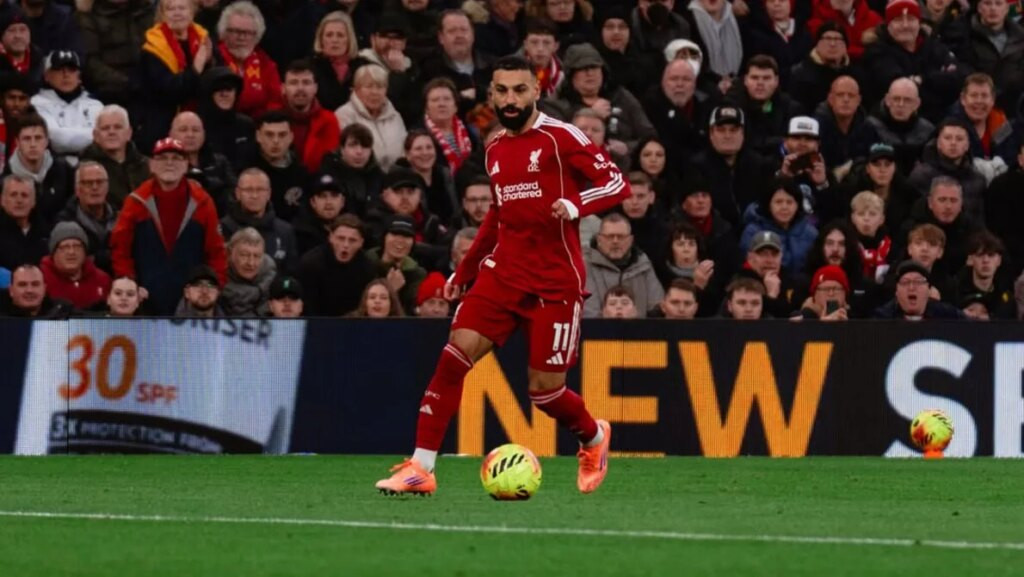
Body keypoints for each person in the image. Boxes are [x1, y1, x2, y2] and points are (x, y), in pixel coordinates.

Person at [376, 55, 627, 497]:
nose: (511, 99)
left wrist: (576, 205)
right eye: (502, 91)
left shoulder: (561, 137)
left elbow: (616, 183)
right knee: (453, 357)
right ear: (491, 94)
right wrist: (466, 269)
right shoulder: (494, 147)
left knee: (545, 393)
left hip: (555, 282)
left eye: (520, 90)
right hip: (503, 274)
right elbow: (498, 216)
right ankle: (421, 468)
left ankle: (593, 438)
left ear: (536, 91)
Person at [110, 137, 227, 315]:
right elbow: (120, 250)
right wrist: (129, 284)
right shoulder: (136, 202)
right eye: (163, 158)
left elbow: (216, 252)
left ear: (186, 165)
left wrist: (214, 289)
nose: (169, 163)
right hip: (145, 301)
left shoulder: (202, 202)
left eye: (176, 158)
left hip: (192, 305)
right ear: (152, 165)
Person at [212, 1, 282, 120]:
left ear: (257, 36)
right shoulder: (212, 59)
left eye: (248, 33)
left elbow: (275, 102)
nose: (241, 37)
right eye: (235, 31)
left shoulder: (266, 64)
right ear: (223, 32)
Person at [30, 50, 103, 160]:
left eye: (71, 69)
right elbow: (58, 140)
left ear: (79, 76)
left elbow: (105, 136)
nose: (66, 75)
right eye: (59, 69)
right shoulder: (36, 103)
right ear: (46, 76)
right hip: (52, 163)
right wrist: (94, 135)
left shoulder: (95, 104)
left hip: (93, 162)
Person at [79, 105, 150, 208]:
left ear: (129, 133)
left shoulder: (146, 166)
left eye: (118, 127)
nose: (111, 132)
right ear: (96, 136)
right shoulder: (83, 169)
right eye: (105, 128)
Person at [39, 220, 110, 310]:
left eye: (77, 246)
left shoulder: (102, 280)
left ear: (85, 251)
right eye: (65, 247)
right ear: (53, 252)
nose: (71, 252)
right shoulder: (40, 279)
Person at [873, 259, 964, 319]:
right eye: (905, 282)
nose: (911, 287)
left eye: (918, 282)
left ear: (929, 290)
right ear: (896, 291)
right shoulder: (882, 317)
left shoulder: (948, 315)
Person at [220, 226, 275, 316]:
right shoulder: (216, 275)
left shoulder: (271, 279)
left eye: (257, 256)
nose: (251, 263)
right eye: (244, 255)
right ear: (230, 253)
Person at [0, 263, 72, 317]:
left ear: (44, 289)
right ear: (11, 290)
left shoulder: (63, 311)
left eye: (35, 284)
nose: (29, 290)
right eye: (22, 285)